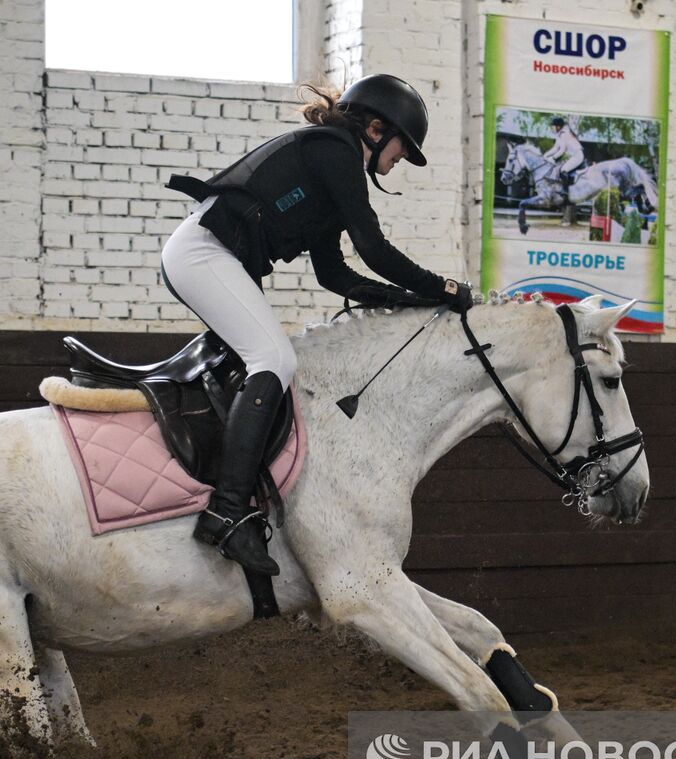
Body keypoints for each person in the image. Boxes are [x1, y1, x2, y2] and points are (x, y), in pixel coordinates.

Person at [160, 74, 474, 577]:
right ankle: (226, 511)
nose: (399, 163)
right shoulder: (336, 152)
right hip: (203, 253)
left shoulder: (333, 162)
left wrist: (409, 301)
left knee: (266, 363)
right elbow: (374, 249)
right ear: (375, 128)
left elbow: (334, 273)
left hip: (217, 257)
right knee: (275, 359)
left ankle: (230, 493)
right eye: (400, 150)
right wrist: (446, 289)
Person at [543, 116, 586, 187]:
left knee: (563, 170)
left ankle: (566, 191)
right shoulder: (559, 134)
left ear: (558, 127)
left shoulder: (564, 134)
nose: (551, 128)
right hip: (573, 156)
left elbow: (562, 150)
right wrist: (545, 155)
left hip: (577, 156)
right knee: (558, 169)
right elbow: (555, 148)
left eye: (552, 126)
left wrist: (553, 158)